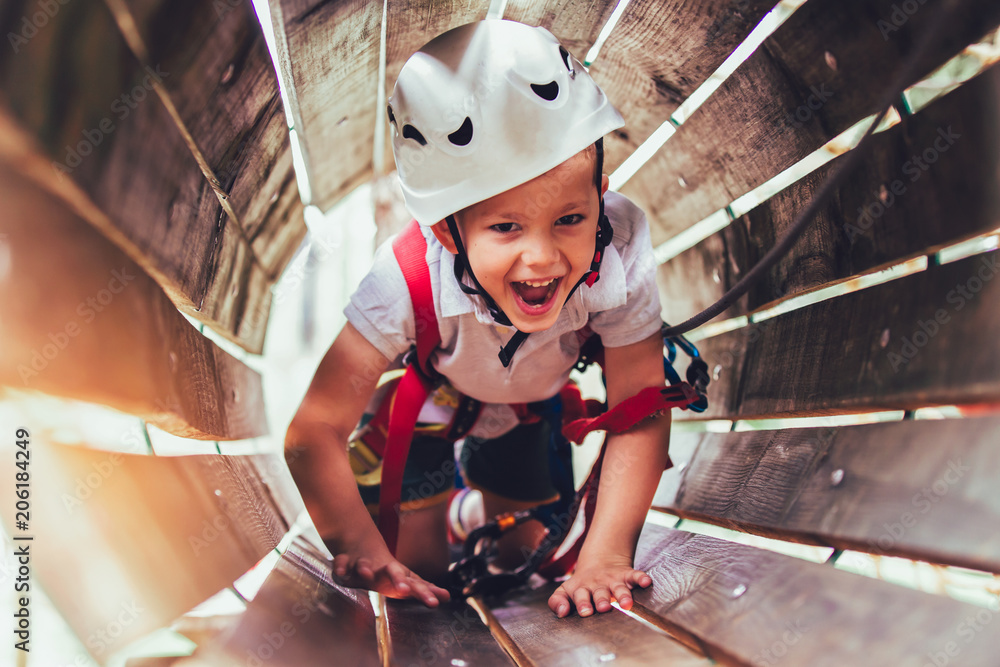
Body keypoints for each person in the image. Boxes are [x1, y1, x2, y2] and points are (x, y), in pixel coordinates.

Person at [284, 19, 672, 619]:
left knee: (520, 550)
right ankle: (440, 508)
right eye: (506, 227)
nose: (543, 257)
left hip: (526, 406)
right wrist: (359, 547)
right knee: (423, 577)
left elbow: (640, 405)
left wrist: (604, 555)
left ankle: (469, 509)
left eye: (570, 218)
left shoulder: (616, 248)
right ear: (445, 230)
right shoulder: (406, 278)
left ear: (602, 192)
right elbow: (311, 433)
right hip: (427, 408)